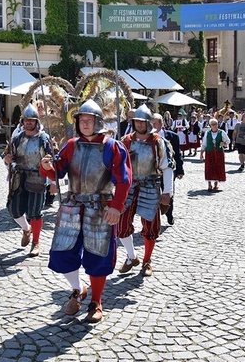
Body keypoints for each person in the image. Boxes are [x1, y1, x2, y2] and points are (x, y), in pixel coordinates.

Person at [40, 100, 131, 323]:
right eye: (81, 120)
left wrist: (116, 207)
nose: (85, 124)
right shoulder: (71, 145)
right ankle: (78, 288)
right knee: (62, 253)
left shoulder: (113, 147)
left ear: (98, 122)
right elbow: (57, 172)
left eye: (89, 120)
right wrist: (46, 167)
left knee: (98, 255)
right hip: (72, 207)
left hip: (101, 209)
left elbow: (124, 180)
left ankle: (96, 301)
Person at [117, 105, 173, 276]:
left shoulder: (158, 142)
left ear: (148, 123)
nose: (140, 125)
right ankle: (132, 257)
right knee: (121, 224)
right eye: (137, 122)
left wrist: (167, 192)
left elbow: (167, 167)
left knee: (150, 227)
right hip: (130, 186)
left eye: (142, 122)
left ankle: (147, 261)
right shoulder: (126, 141)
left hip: (150, 186)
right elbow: (117, 166)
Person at [2, 104, 54, 257]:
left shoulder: (43, 139)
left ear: (36, 122)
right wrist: (7, 159)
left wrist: (53, 183)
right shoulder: (17, 138)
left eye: (32, 120)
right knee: (14, 209)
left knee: (35, 212)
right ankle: (26, 229)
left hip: (37, 178)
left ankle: (36, 242)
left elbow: (52, 161)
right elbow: (7, 155)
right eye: (26, 120)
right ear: (22, 121)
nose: (29, 123)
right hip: (19, 178)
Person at [152, 112, 184, 226]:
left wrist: (180, 170)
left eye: (155, 124)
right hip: (153, 172)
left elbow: (177, 154)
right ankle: (153, 218)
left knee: (168, 192)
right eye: (151, 124)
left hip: (168, 170)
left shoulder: (172, 136)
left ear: (161, 124)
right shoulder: (147, 137)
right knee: (153, 195)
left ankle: (169, 213)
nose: (153, 126)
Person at [199, 118, 230, 191]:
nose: (215, 126)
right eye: (213, 124)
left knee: (218, 166)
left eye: (216, 124)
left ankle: (216, 183)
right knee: (209, 167)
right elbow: (204, 144)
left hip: (219, 152)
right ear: (210, 126)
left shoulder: (221, 132)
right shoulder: (207, 133)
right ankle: (209, 184)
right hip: (209, 152)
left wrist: (224, 143)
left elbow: (228, 141)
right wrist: (201, 154)